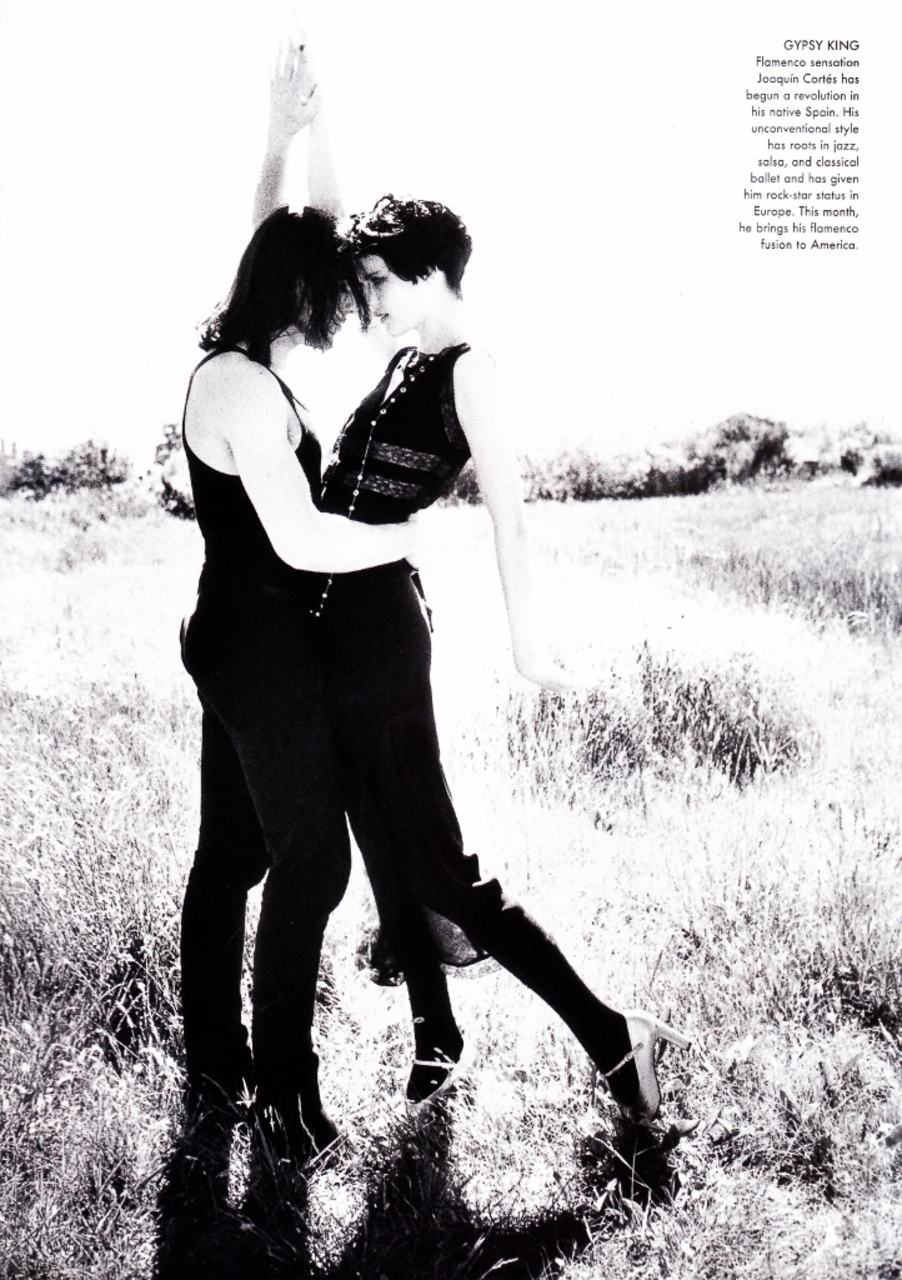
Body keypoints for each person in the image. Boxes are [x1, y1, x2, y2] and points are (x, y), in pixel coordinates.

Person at [256, 44, 690, 1128]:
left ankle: (614, 1038)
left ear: (429, 275)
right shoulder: (400, 358)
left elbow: (509, 515)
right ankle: (436, 1038)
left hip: (380, 634)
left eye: (381, 282)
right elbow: (342, 232)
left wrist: (528, 646)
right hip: (329, 629)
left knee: (446, 873)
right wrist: (316, 124)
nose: (367, 297)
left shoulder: (467, 370)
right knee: (382, 850)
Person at [176, 44, 419, 1200]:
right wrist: (407, 538)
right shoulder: (238, 386)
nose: (343, 313)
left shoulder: (251, 352)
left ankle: (215, 1067)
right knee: (309, 859)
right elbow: (303, 539)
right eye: (334, 296)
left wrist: (295, 132)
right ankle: (281, 1095)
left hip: (244, 632)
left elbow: (297, 227)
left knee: (231, 857)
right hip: (256, 637)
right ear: (296, 298)